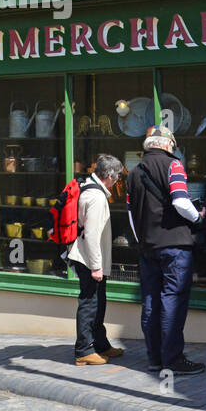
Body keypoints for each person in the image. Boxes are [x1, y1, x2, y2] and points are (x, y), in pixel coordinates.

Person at [126, 125, 206, 376]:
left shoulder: (134, 172)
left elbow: (130, 215)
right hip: (174, 245)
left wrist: (140, 239)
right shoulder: (174, 165)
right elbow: (181, 201)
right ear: (168, 144)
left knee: (150, 301)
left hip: (147, 245)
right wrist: (198, 218)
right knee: (173, 299)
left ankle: (155, 358)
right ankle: (173, 359)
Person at [67, 154, 125, 366]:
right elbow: (91, 235)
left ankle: (100, 344)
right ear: (109, 175)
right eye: (117, 177)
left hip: (88, 257)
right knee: (89, 304)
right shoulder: (97, 197)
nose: (118, 181)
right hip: (88, 259)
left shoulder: (90, 188)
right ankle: (84, 350)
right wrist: (96, 267)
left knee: (98, 303)